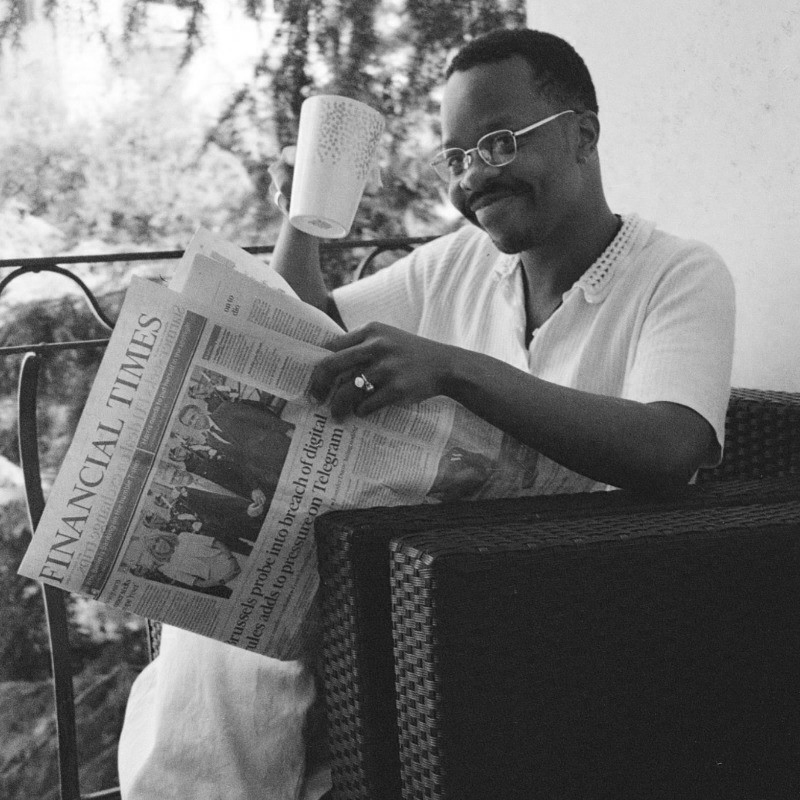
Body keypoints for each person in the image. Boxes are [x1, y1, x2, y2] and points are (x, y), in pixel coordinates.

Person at [118, 28, 735, 800]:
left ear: (583, 135)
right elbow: (311, 334)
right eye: (456, 158)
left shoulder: (678, 273)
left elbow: (671, 446)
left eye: (501, 143)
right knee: (231, 575)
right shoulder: (461, 263)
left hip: (575, 592)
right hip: (428, 578)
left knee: (255, 605)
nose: (474, 176)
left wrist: (452, 368)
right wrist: (301, 221)